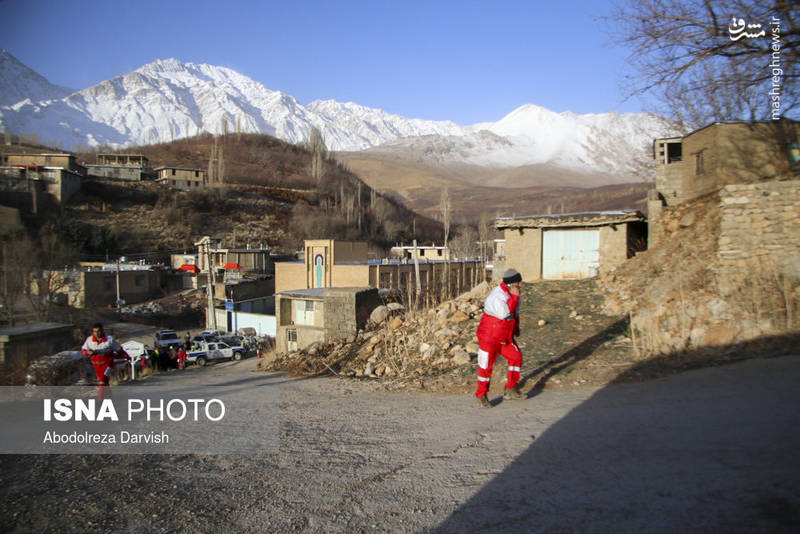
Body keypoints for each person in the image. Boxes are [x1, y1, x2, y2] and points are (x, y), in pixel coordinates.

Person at [474, 268, 525, 408]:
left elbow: (515, 313)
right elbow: (504, 313)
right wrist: (514, 297)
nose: (521, 285)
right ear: (512, 284)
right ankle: (481, 395)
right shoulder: (497, 296)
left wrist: (516, 328)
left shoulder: (514, 294)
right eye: (519, 283)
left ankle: (511, 389)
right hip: (489, 337)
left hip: (504, 337)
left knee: (516, 357)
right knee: (485, 366)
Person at [81, 323, 129, 398]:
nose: (96, 333)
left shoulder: (109, 339)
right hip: (95, 364)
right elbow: (83, 351)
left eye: (98, 331)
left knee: (102, 381)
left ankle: (100, 400)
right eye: (94, 332)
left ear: (102, 331)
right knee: (105, 382)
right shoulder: (89, 340)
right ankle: (108, 397)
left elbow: (119, 350)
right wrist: (87, 352)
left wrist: (127, 357)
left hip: (107, 364)